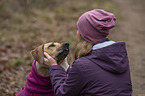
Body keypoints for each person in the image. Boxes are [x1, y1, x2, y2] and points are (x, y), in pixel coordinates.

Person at [43, 9, 132, 96]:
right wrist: (66, 67)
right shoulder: (119, 55)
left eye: (79, 29)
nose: (77, 32)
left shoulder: (82, 65)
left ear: (84, 34)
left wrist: (54, 67)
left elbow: (62, 93)